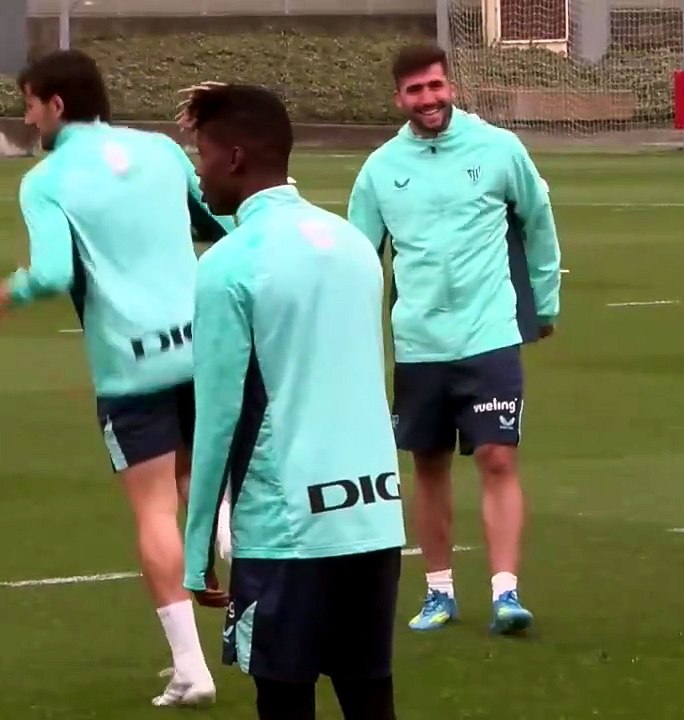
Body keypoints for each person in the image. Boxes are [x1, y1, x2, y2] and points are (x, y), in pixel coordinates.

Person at [0, 49, 233, 708]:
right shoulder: (160, 150)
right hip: (202, 345)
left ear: (57, 105)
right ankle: (224, 526)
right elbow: (214, 221)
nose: (27, 115)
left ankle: (192, 669)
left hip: (132, 364)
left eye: (29, 103)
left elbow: (50, 274)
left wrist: (5, 294)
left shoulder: (46, 180)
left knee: (153, 509)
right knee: (200, 477)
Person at [177, 82, 406, 719]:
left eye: (201, 154)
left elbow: (219, 417)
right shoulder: (353, 245)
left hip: (287, 530)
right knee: (369, 695)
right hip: (373, 516)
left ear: (235, 157)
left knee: (283, 700)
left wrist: (197, 551)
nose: (198, 172)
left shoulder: (229, 266)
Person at [347, 43, 562, 635]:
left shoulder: (498, 149)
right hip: (419, 343)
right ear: (399, 98)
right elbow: (359, 258)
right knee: (430, 466)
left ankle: (506, 593)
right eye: (416, 90)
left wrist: (543, 301)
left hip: (489, 334)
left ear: (452, 86)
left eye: (436, 86)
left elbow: (538, 220)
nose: (429, 99)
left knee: (497, 457)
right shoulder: (380, 169)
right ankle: (439, 592)